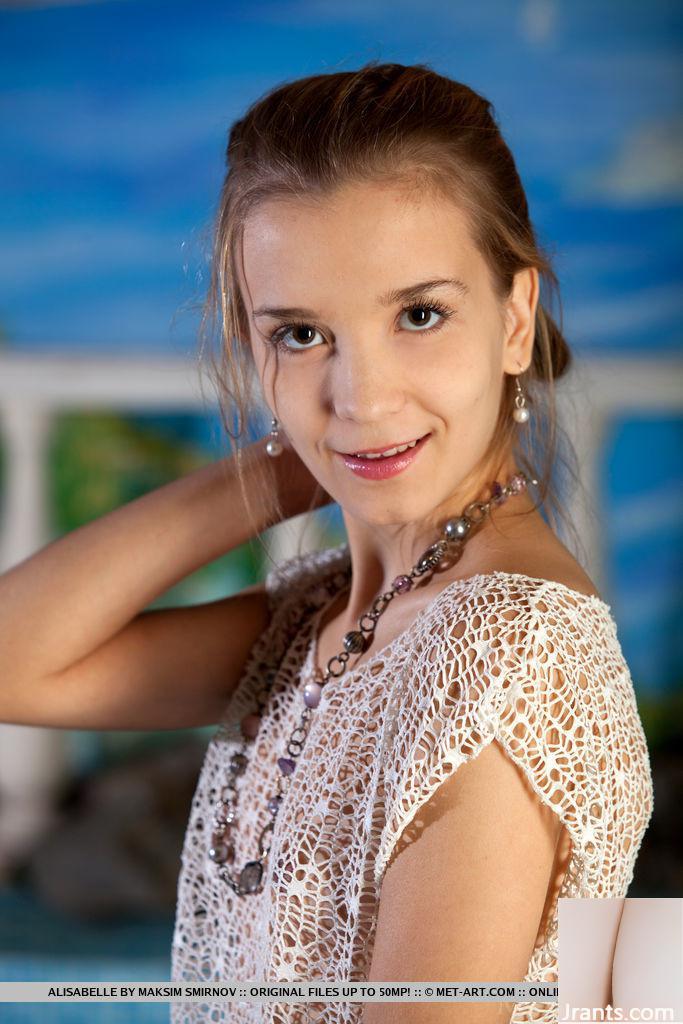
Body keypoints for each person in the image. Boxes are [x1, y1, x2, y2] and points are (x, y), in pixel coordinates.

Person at [0, 62, 654, 1024]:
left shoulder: (510, 653)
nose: (363, 396)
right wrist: (290, 465)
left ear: (515, 321)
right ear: (250, 343)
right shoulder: (320, 613)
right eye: (301, 334)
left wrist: (333, 442)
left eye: (419, 315)